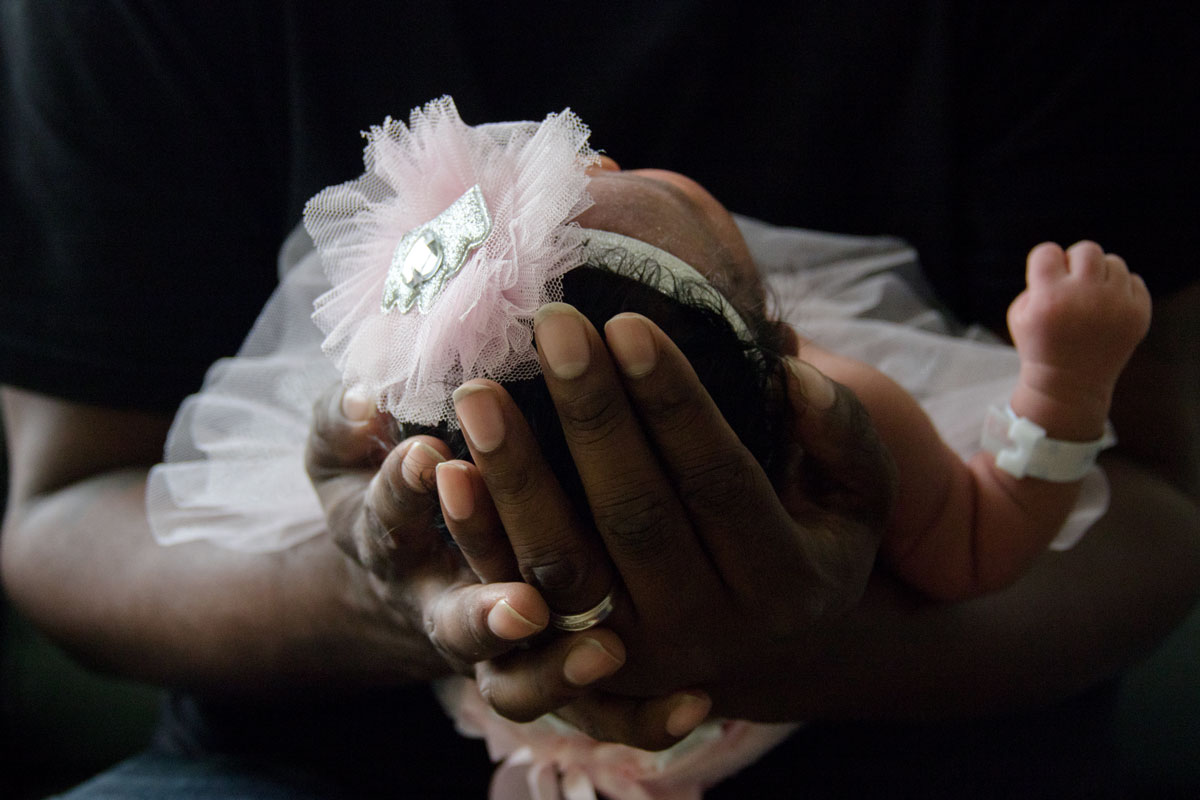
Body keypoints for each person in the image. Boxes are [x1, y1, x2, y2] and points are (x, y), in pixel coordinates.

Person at [2, 4, 1197, 798]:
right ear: (773, 323)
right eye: (611, 186)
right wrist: (1060, 391)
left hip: (925, 752)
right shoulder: (844, 399)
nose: (604, 157)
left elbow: (1164, 494)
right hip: (301, 758)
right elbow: (988, 532)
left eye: (598, 176)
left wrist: (819, 644)